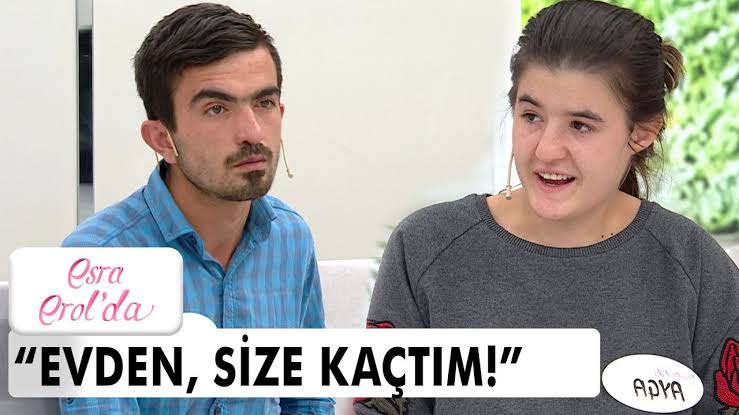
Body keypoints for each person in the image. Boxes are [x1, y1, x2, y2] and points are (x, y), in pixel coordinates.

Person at [355, 1, 739, 414]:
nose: (546, 150)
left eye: (580, 125)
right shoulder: (425, 248)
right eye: (531, 116)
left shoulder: (694, 266)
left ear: (642, 132)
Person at [60, 3, 334, 414]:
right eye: (216, 109)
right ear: (162, 139)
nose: (252, 133)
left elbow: (307, 399)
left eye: (263, 103)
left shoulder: (290, 237)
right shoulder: (96, 261)